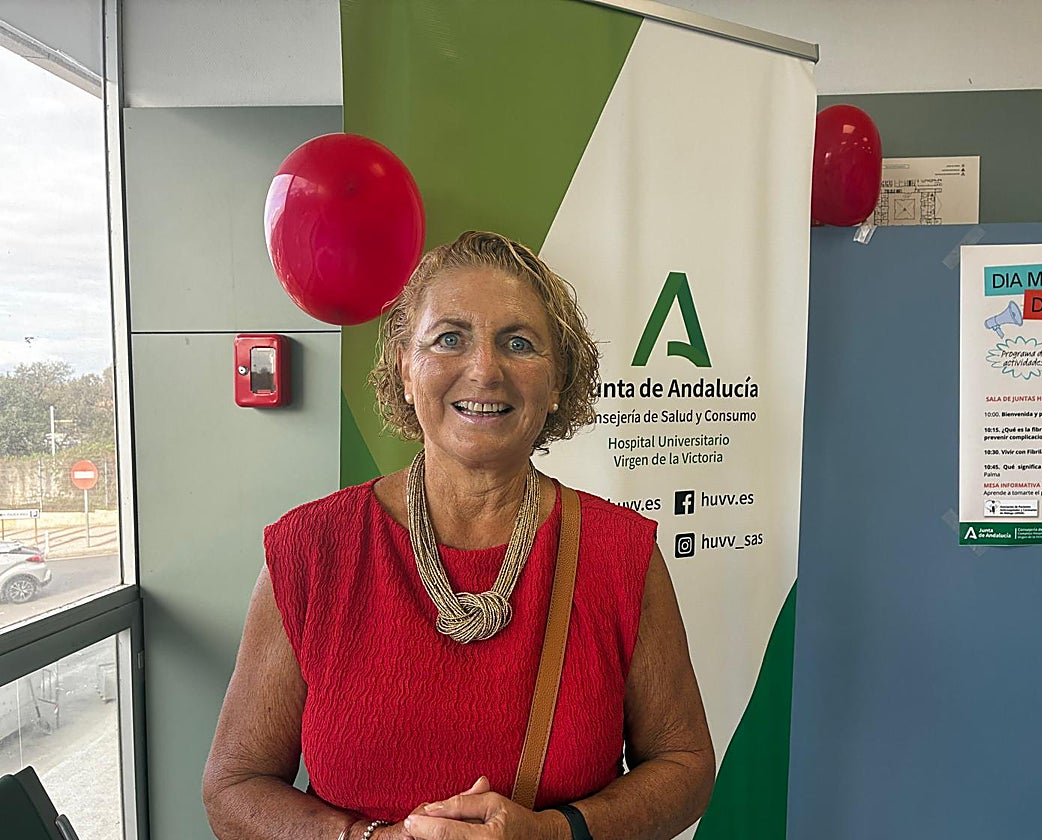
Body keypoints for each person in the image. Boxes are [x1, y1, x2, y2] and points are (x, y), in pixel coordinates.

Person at [203, 231, 714, 840]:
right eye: (450, 339)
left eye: (518, 344)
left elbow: (685, 766)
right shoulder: (313, 550)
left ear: (556, 385)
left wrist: (552, 834)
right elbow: (233, 788)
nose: (484, 369)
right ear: (405, 368)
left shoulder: (619, 553)